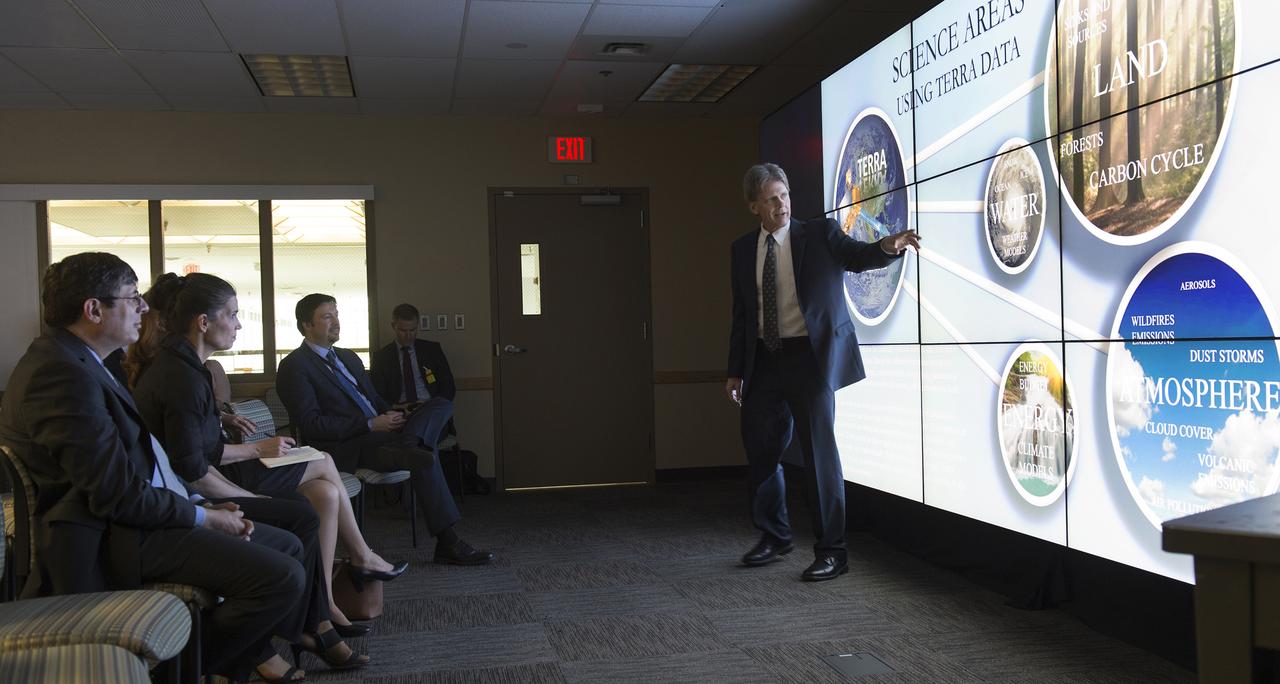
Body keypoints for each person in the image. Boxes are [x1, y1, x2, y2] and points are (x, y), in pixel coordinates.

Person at [0, 252, 318, 681]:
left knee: (289, 547)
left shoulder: (85, 361)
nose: (146, 308)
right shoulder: (58, 374)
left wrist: (196, 502)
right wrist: (202, 516)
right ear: (94, 310)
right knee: (281, 577)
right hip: (112, 537)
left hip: (137, 519)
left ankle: (225, 667)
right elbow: (116, 494)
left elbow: (139, 464)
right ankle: (188, 667)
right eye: (132, 298)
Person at [131, 273, 406, 638]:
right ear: (201, 321)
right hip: (211, 482)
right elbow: (195, 460)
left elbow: (195, 434)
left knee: (325, 493)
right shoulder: (185, 373)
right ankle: (358, 559)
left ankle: (324, 605)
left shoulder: (189, 369)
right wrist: (258, 451)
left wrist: (224, 416)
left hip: (219, 470)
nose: (239, 324)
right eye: (232, 314)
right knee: (322, 463)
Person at [726, 164, 921, 581]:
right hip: (762, 360)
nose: (781, 204)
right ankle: (774, 536)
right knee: (761, 451)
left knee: (818, 456)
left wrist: (889, 245)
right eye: (771, 199)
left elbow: (857, 256)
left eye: (784, 195)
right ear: (753, 206)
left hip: (809, 359)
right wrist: (735, 371)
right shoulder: (742, 250)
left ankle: (833, 551)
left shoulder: (819, 234)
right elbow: (742, 315)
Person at [276, 294, 493, 565]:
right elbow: (312, 424)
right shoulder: (294, 366)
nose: (336, 322)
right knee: (424, 455)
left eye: (337, 314)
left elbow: (374, 399)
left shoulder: (348, 357)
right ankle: (448, 542)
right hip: (352, 443)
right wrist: (369, 424)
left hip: (388, 433)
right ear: (306, 325)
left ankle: (411, 441)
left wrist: (393, 412)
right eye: (327, 316)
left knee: (440, 404)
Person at [370, 303, 456, 407]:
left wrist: (433, 404)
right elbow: (378, 395)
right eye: (403, 330)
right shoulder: (382, 357)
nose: (408, 335)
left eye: (412, 330)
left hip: (430, 406)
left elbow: (448, 386)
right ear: (393, 326)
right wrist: (395, 408)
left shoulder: (432, 350)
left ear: (417, 326)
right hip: (399, 411)